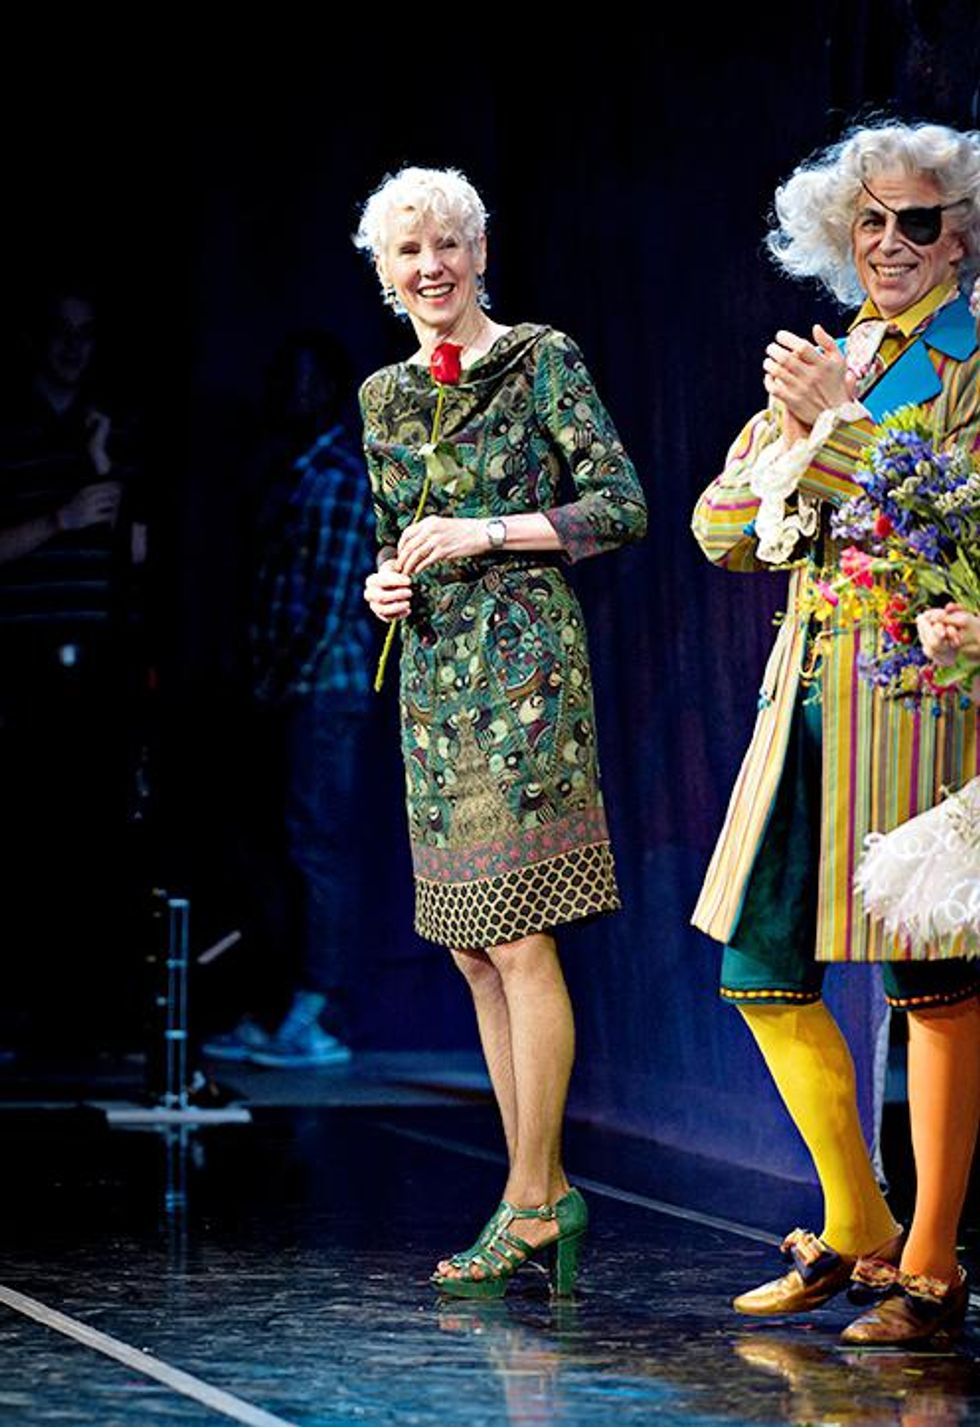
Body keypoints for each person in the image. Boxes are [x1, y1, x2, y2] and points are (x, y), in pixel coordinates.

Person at [691, 120, 980, 1345]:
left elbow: (948, 518)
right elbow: (716, 522)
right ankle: (856, 1223)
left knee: (934, 984)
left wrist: (838, 427)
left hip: (920, 710)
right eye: (868, 223)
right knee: (756, 965)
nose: (889, 243)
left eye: (914, 222)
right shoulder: (833, 353)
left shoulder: (966, 363)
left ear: (955, 235)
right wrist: (793, 450)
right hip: (804, 694)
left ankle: (927, 1263)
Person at [354, 166, 646, 1298]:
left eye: (447, 245)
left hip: (523, 673)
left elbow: (615, 503)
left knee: (521, 938)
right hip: (430, 683)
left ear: (479, 251)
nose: (430, 267)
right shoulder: (383, 396)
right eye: (407, 253)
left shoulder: (541, 358)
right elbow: (396, 535)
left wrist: (484, 530)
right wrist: (384, 584)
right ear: (385, 274)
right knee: (472, 945)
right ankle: (535, 1189)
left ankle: (532, 1197)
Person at [203, 332, 374, 1068]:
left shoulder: (335, 473)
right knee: (275, 846)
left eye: (304, 383)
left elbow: (335, 601)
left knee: (317, 846)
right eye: (283, 381)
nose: (289, 397)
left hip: (321, 690)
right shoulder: (291, 471)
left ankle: (317, 1011)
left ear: (329, 391)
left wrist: (278, 674)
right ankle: (278, 1005)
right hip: (284, 686)